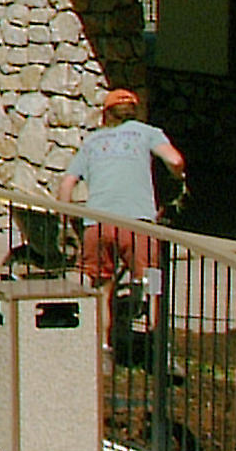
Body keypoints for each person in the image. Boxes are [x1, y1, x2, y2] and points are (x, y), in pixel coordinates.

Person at [55, 88, 182, 296]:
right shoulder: (148, 132)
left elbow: (67, 184)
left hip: (98, 224)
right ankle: (154, 324)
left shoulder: (91, 141)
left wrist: (66, 221)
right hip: (137, 223)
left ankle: (103, 327)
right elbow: (175, 161)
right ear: (134, 111)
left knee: (102, 288)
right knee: (153, 281)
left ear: (106, 114)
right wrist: (177, 178)